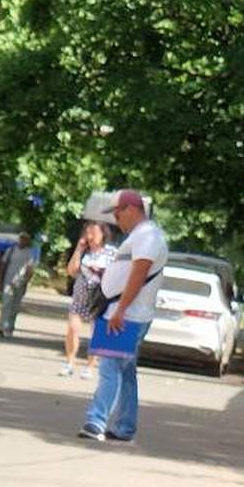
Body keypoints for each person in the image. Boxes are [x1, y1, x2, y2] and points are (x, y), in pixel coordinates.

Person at [79, 189, 167, 444]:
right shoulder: (142, 236)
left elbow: (139, 274)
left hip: (127, 315)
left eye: (117, 213)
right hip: (125, 313)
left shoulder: (148, 236)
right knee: (125, 371)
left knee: (110, 367)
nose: (115, 219)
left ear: (131, 209)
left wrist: (120, 310)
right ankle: (124, 426)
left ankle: (96, 421)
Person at [61, 220, 115, 377]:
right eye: (88, 233)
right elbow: (71, 271)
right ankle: (70, 362)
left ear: (103, 235)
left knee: (96, 332)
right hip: (80, 295)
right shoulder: (84, 252)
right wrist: (79, 249)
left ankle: (90, 366)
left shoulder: (111, 253)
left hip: (99, 297)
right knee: (73, 328)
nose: (90, 236)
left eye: (94, 233)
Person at [0, 230, 37, 339]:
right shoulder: (11, 250)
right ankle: (2, 326)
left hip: (21, 281)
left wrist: (27, 280)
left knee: (15, 306)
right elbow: (3, 264)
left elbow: (30, 268)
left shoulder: (29, 253)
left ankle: (10, 327)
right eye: (21, 239)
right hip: (8, 280)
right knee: (6, 303)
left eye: (25, 239)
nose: (22, 241)